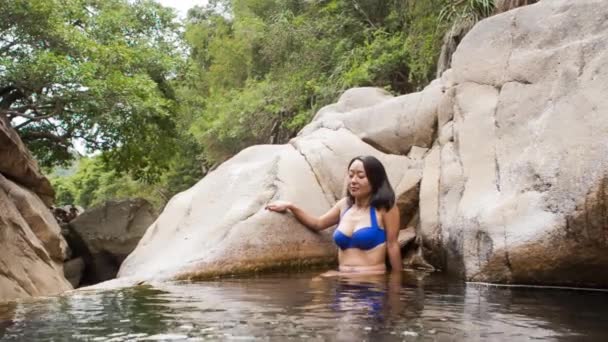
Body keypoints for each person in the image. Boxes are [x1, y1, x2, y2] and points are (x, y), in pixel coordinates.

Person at [265, 155, 402, 275]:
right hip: (343, 279)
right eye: (350, 175)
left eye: (361, 176)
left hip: (371, 281)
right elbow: (318, 224)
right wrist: (290, 206)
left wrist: (397, 285)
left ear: (375, 180)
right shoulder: (344, 205)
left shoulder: (385, 208)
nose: (353, 181)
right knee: (316, 284)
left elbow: (392, 245)